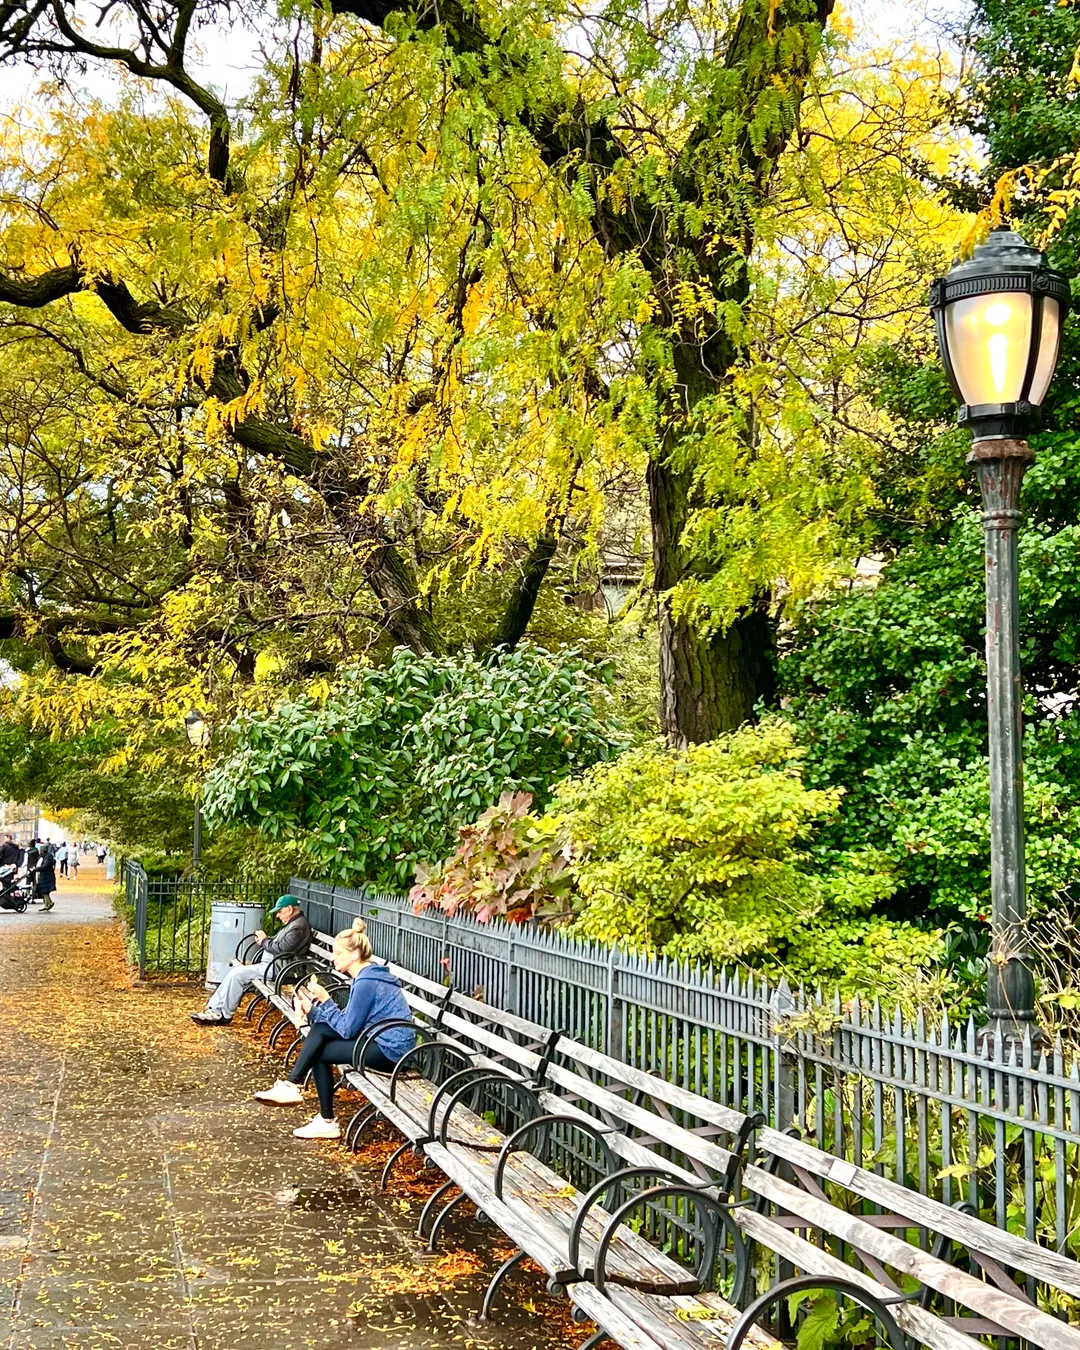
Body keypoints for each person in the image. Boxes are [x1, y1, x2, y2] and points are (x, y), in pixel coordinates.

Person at [254, 918, 416, 1140]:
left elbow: (347, 1030)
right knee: (320, 1030)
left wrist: (326, 1000)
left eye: (338, 953)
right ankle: (296, 1089)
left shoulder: (366, 983)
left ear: (354, 955)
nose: (333, 957)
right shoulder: (366, 977)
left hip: (390, 1051)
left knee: (320, 1053)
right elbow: (346, 1022)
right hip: (375, 1038)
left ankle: (319, 1112)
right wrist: (312, 1010)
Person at [191, 895, 312, 1026]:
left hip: (281, 969)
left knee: (238, 974)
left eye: (279, 911)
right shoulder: (294, 924)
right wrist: (264, 940)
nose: (277, 915)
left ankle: (224, 1014)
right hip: (275, 965)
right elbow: (281, 945)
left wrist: (264, 941)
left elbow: (283, 950)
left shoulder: (298, 927)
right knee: (236, 972)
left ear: (289, 909)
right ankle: (214, 1009)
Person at [35, 842, 56, 912]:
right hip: (45, 875)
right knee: (44, 891)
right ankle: (47, 904)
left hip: (46, 876)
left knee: (44, 891)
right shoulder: (44, 856)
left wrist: (37, 869)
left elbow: (45, 866)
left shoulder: (48, 857)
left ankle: (49, 903)